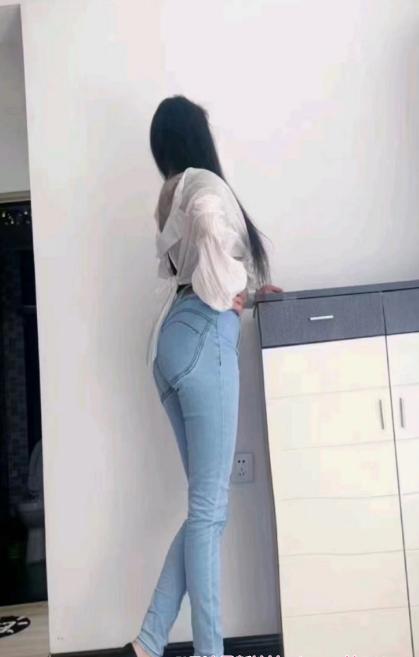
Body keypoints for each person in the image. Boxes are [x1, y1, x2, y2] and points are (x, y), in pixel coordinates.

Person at [121, 95, 282, 657]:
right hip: (203, 338)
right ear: (198, 136)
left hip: (171, 343)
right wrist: (230, 290)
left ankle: (148, 641)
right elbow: (213, 234)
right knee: (210, 514)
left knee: (204, 512)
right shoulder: (204, 185)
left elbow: (193, 268)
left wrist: (245, 293)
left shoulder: (173, 194)